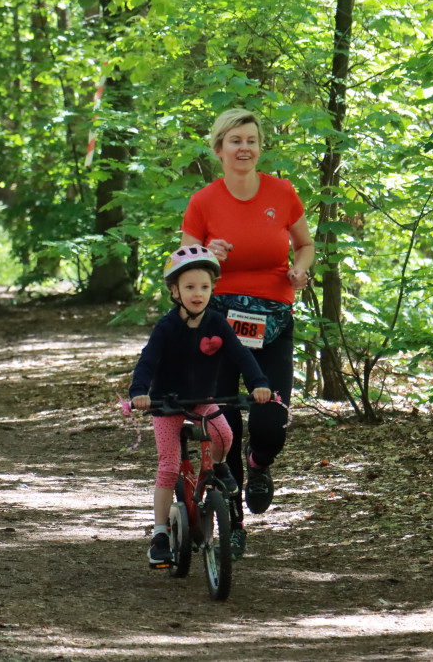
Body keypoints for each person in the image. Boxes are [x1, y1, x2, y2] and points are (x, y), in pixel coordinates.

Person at [180, 108, 314, 559]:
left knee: (270, 420)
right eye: (235, 140)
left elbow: (305, 244)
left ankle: (260, 466)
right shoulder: (203, 201)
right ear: (219, 148)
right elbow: (182, 265)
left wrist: (300, 270)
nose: (245, 148)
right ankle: (232, 520)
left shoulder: (282, 192)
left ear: (260, 147)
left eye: (252, 140)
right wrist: (204, 253)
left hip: (273, 319)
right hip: (218, 324)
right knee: (223, 427)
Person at [129, 245, 273, 568]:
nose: (198, 294)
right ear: (174, 290)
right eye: (190, 287)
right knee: (169, 464)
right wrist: (139, 391)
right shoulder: (167, 328)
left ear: (213, 289)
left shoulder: (218, 325)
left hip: (203, 402)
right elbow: (147, 361)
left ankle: (219, 467)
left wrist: (259, 383)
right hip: (167, 404)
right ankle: (161, 533)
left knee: (225, 435)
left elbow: (242, 356)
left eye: (205, 287)